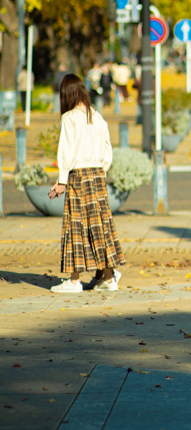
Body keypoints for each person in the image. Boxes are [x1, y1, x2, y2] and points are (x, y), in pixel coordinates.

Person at [48, 74, 124, 293]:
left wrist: (62, 180)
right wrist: (99, 171)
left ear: (66, 94)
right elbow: (108, 151)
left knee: (75, 227)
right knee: (100, 227)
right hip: (97, 175)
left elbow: (67, 151)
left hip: (79, 176)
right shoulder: (97, 117)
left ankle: (74, 282)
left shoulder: (69, 118)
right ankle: (108, 278)